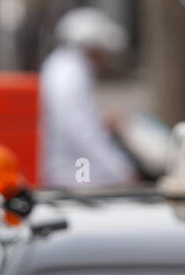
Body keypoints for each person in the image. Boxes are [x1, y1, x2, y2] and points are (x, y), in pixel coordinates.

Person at [39, 6, 137, 188]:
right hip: (74, 174)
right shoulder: (70, 73)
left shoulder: (62, 66)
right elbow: (81, 129)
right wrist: (120, 169)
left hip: (69, 169)